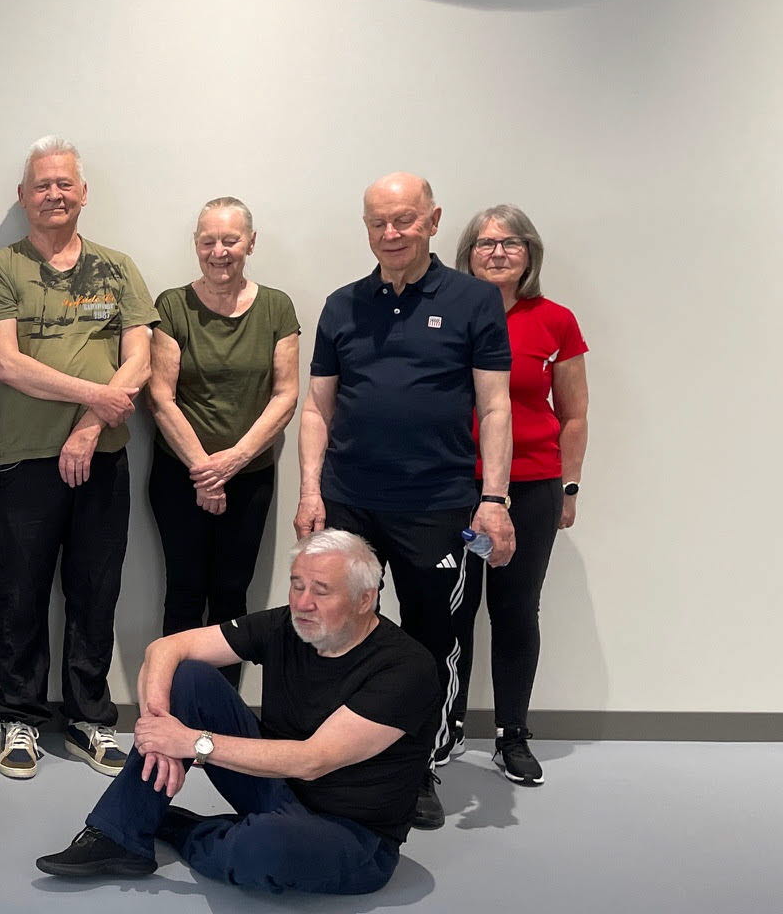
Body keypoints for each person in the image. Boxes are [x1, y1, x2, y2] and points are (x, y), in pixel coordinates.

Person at [36, 531, 437, 897]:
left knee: (259, 849)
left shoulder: (405, 668)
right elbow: (166, 649)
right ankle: (119, 835)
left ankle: (182, 827)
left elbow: (313, 760)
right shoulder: (286, 624)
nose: (302, 603)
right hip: (276, 787)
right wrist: (160, 730)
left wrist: (192, 742)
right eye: (297, 585)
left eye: (321, 591)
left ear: (365, 599)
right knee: (188, 677)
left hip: (353, 836)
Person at [295, 172, 514, 831]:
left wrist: (494, 498)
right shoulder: (342, 305)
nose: (390, 233)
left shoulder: (474, 300)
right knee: (331, 630)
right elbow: (317, 409)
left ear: (433, 220)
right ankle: (329, 758)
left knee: (430, 641)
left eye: (404, 220)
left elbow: (495, 406)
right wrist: (310, 489)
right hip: (349, 501)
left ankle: (416, 768)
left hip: (437, 506)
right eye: (377, 223)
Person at [0, 138, 155, 779]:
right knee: (19, 593)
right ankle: (18, 717)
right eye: (41, 185)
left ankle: (88, 719)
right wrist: (97, 396)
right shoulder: (0, 270)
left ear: (83, 193)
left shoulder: (118, 267)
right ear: (23, 197)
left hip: (102, 455)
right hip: (24, 457)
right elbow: (7, 364)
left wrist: (89, 425)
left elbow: (140, 359)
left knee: (95, 591)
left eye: (64, 183)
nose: (54, 194)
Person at [449, 205, 588, 786]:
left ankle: (511, 734)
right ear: (468, 254)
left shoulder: (556, 321)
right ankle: (447, 725)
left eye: (511, 243)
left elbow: (574, 415)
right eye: (486, 243)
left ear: (530, 253)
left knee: (514, 609)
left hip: (531, 485)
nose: (498, 252)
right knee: (451, 610)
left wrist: (569, 487)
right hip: (456, 483)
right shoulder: (447, 315)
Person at [147, 197, 300, 684]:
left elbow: (286, 395)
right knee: (184, 590)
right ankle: (172, 706)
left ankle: (221, 708)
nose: (219, 251)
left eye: (230, 240)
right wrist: (205, 471)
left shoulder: (276, 307)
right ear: (195, 244)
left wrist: (233, 461)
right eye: (208, 241)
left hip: (250, 477)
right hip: (180, 477)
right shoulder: (172, 305)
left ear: (250, 243)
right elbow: (160, 397)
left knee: (232, 594)